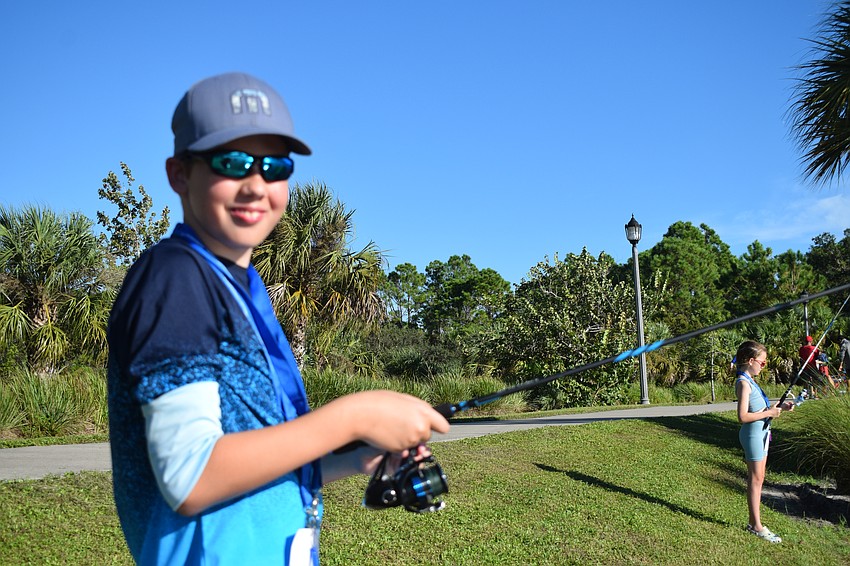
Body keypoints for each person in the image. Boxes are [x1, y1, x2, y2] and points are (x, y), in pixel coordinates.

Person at [107, 72, 450, 564]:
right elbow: (191, 476)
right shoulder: (176, 276)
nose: (255, 186)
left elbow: (255, 459)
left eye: (274, 166)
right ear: (179, 174)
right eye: (232, 163)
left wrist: (357, 456)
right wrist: (355, 415)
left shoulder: (240, 285)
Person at [735, 340, 794, 543]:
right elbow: (742, 416)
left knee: (759, 477)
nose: (764, 365)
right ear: (751, 361)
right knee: (756, 479)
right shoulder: (743, 383)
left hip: (761, 433)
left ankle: (755, 522)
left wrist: (780, 407)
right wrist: (770, 412)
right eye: (762, 362)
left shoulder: (751, 381)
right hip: (752, 434)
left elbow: (759, 410)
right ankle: (756, 525)